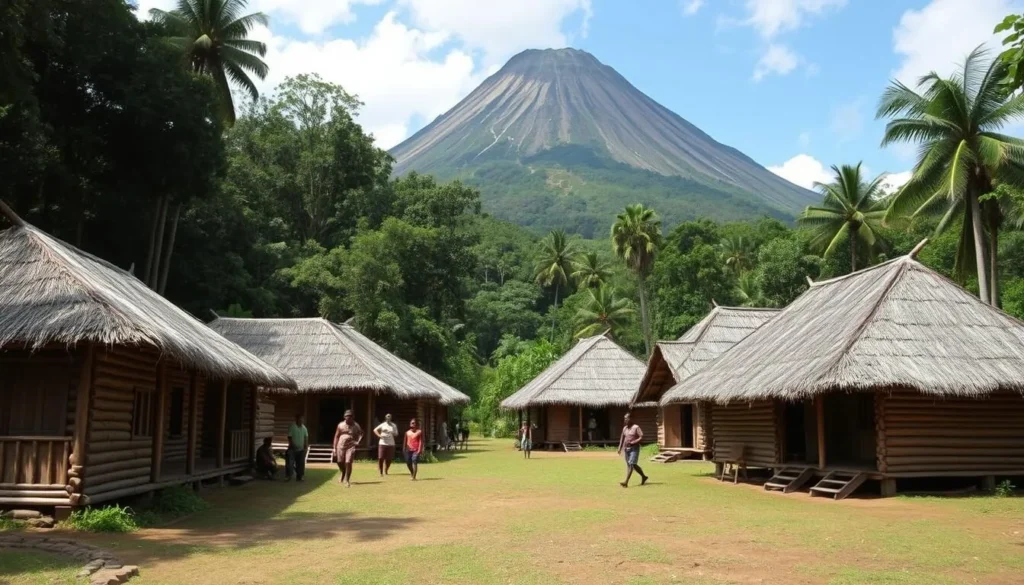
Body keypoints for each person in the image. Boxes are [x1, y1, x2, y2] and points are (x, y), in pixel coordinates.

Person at [617, 412, 648, 488]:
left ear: (631, 419)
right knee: (631, 465)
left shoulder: (636, 427)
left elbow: (641, 436)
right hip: (626, 449)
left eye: (627, 418)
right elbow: (622, 438)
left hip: (634, 448)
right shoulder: (625, 428)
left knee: (631, 464)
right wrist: (619, 447)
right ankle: (644, 476)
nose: (625, 420)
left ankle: (626, 482)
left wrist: (633, 442)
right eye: (624, 418)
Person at [333, 410, 363, 488]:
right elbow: (336, 436)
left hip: (351, 445)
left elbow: (361, 433)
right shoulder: (340, 425)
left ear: (353, 417)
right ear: (344, 417)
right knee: (339, 461)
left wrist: (358, 441)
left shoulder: (356, 425)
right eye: (347, 416)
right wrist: (334, 448)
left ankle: (347, 480)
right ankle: (343, 472)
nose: (348, 417)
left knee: (348, 462)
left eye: (350, 416)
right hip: (341, 445)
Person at [286, 413, 308, 482]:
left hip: (301, 449)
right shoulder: (292, 427)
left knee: (301, 464)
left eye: (303, 419)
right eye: (300, 419)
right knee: (290, 463)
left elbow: (306, 438)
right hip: (292, 449)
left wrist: (306, 447)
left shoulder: (304, 428)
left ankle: (300, 477)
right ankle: (288, 476)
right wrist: (293, 445)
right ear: (296, 419)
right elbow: (289, 437)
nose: (302, 420)